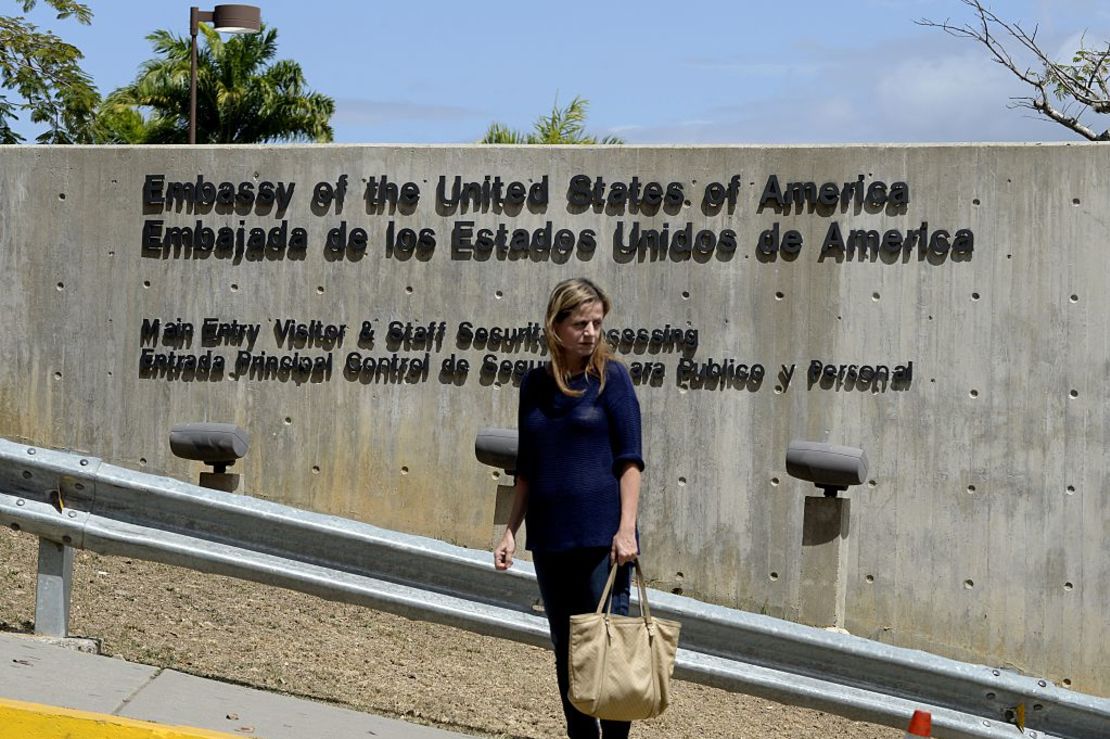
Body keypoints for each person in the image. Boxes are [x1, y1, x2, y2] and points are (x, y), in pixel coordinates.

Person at [494, 277, 644, 739]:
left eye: (597, 323)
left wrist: (627, 529)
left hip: (602, 541)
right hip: (551, 539)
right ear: (555, 326)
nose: (591, 333)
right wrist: (509, 531)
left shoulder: (611, 378)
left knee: (608, 650)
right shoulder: (534, 385)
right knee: (568, 650)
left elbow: (630, 460)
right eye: (581, 323)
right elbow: (527, 468)